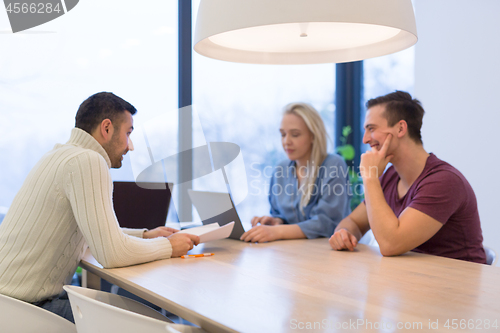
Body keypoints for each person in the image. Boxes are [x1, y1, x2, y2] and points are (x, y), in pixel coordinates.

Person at [0, 92, 200, 321]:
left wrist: (145, 236)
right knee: (157, 324)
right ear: (106, 129)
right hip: (25, 310)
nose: (130, 146)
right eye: (128, 133)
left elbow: (89, 231)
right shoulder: (88, 160)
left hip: (8, 303)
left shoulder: (59, 155)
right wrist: (168, 246)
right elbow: (111, 254)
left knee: (140, 316)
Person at [329, 91, 486, 264]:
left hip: (456, 286)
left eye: (371, 129)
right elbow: (354, 222)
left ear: (401, 128)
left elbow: (391, 244)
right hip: (413, 283)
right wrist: (344, 233)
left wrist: (370, 177)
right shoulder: (390, 177)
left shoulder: (444, 181)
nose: (365, 139)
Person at [241, 102, 350, 243]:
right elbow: (281, 215)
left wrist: (277, 232)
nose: (286, 141)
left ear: (313, 136)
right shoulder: (280, 170)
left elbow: (326, 224)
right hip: (291, 253)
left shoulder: (334, 165)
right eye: (283, 134)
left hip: (326, 254)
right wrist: (276, 221)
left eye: (295, 135)